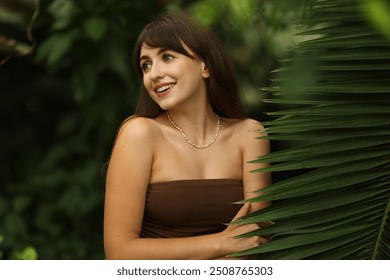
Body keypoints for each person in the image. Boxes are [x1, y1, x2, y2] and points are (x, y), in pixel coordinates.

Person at [103, 11, 271, 260]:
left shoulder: (249, 134)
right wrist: (221, 243)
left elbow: (255, 237)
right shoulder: (140, 134)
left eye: (167, 57)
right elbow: (119, 253)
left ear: (205, 65)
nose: (154, 74)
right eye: (146, 65)